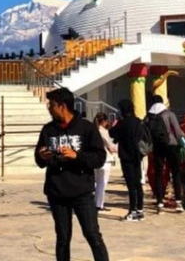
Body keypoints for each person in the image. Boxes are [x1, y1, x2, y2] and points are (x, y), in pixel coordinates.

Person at [35, 87, 109, 261]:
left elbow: (99, 157)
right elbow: (39, 160)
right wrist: (42, 155)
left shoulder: (86, 128)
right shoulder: (48, 130)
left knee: (92, 235)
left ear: (62, 106)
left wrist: (77, 156)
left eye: (51, 105)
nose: (49, 109)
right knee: (62, 238)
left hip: (81, 192)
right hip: (57, 192)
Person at [146, 95, 185, 212]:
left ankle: (159, 202)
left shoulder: (149, 116)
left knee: (159, 174)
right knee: (176, 172)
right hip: (171, 145)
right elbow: (178, 132)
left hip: (157, 147)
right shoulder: (169, 114)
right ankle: (178, 201)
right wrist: (184, 144)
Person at [109, 99, 144, 222]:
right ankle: (140, 209)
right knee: (138, 182)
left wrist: (114, 124)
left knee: (130, 184)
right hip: (137, 155)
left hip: (126, 156)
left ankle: (132, 210)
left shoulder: (121, 124)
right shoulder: (137, 122)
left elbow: (112, 134)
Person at [92, 113, 117, 211]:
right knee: (102, 182)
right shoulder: (103, 131)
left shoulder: (92, 130)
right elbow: (109, 145)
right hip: (105, 159)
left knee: (97, 182)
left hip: (95, 158)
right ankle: (99, 203)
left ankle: (96, 201)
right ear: (104, 121)